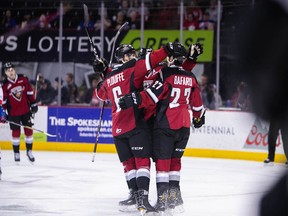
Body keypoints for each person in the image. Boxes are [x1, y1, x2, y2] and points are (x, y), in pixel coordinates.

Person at [95, 42, 187, 214]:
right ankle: (143, 199)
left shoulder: (110, 76)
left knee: (129, 164)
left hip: (118, 127)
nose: (132, 56)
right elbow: (157, 63)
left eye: (133, 53)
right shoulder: (134, 69)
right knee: (142, 162)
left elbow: (100, 94)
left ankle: (135, 196)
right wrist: (167, 49)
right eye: (129, 54)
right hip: (138, 123)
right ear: (123, 58)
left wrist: (103, 72)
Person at [118, 43, 205, 214]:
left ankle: (166, 199)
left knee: (162, 162)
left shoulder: (163, 71)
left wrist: (132, 99)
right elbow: (182, 77)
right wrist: (198, 117)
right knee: (159, 161)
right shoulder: (140, 72)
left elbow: (170, 80)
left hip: (160, 122)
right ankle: (142, 194)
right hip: (166, 122)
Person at [1, 62, 38, 163]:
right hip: (13, 113)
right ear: (5, 73)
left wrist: (33, 103)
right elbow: (3, 100)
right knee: (16, 133)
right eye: (8, 71)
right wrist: (2, 113)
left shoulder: (23, 79)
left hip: (26, 110)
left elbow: (29, 92)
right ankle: (16, 153)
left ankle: (29, 151)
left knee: (29, 131)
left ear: (14, 70)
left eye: (12, 70)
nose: (11, 72)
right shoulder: (4, 85)